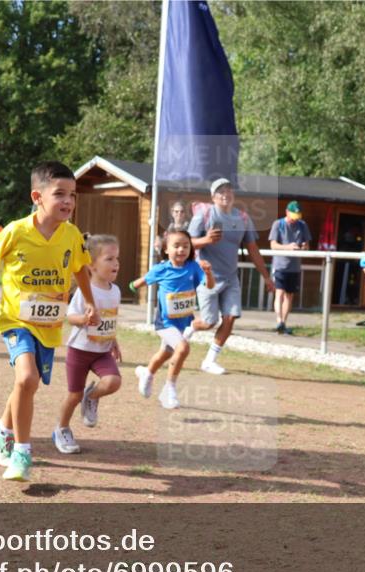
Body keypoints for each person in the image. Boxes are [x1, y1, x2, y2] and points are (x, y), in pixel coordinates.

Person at [0, 161, 96, 482]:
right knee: (27, 378)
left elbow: (80, 269)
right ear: (37, 197)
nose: (68, 201)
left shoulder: (72, 235)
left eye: (73, 195)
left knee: (27, 384)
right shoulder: (16, 231)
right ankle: (22, 453)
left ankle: (1, 430)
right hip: (15, 319)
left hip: (49, 324)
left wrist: (90, 303)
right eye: (60, 194)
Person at [188, 178, 275, 374]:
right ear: (213, 197)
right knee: (209, 322)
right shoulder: (204, 214)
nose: (225, 194)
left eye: (228, 190)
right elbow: (187, 242)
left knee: (230, 317)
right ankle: (190, 328)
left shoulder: (243, 218)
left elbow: (253, 249)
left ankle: (209, 361)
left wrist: (266, 277)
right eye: (220, 191)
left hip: (231, 277)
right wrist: (206, 240)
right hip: (207, 276)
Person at [53, 234, 123, 453]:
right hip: (80, 350)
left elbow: (109, 319)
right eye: (109, 259)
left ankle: (91, 396)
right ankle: (62, 429)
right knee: (74, 395)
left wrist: (113, 340)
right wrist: (85, 319)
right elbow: (70, 317)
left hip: (102, 351)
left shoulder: (116, 291)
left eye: (117, 258)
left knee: (113, 382)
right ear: (91, 265)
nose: (116, 263)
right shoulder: (86, 291)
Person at [131, 229, 216, 409]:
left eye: (185, 246)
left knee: (166, 353)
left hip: (183, 322)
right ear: (166, 249)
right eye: (176, 246)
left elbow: (209, 286)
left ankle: (147, 373)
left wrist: (208, 273)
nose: (181, 250)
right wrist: (130, 286)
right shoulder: (161, 269)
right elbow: (142, 281)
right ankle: (169, 389)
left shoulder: (193, 267)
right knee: (182, 348)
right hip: (165, 322)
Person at [269, 200, 311, 334]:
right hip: (280, 265)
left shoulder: (302, 225)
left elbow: (307, 246)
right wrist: (288, 247)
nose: (294, 219)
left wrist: (303, 247)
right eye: (293, 216)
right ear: (287, 212)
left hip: (295, 267)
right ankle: (279, 321)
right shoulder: (278, 224)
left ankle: (284, 323)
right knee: (279, 293)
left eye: (297, 216)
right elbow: (273, 245)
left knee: (289, 296)